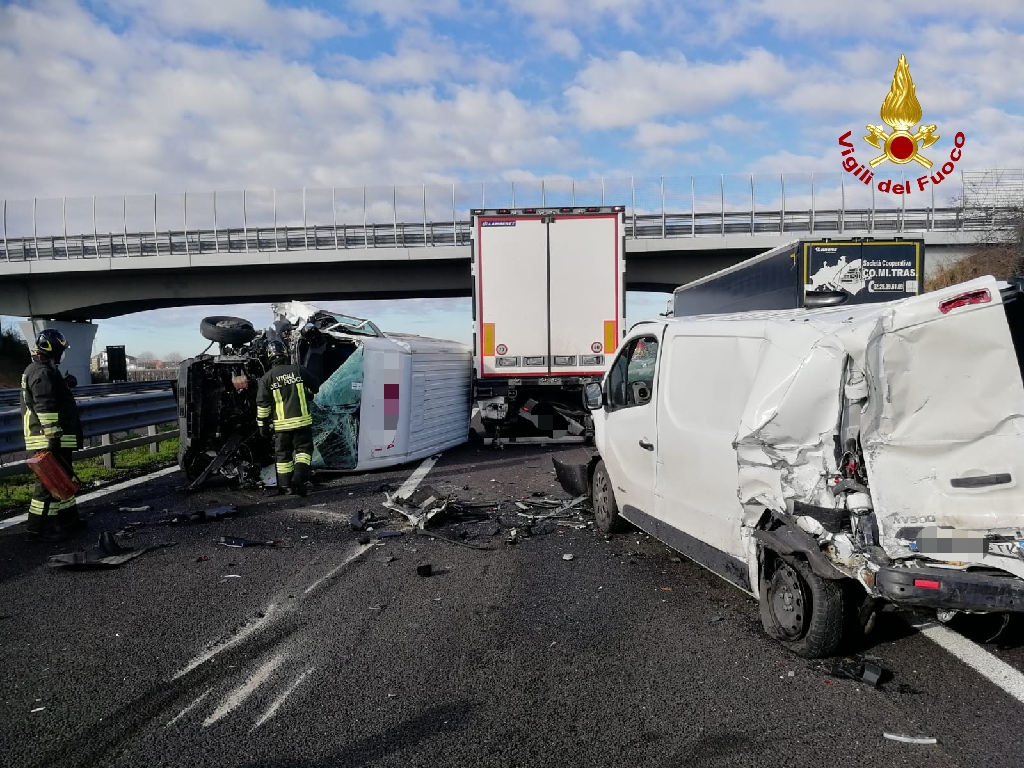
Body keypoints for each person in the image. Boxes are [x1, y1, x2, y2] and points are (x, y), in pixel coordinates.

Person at [21, 329, 85, 541]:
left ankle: (69, 522)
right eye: (60, 350)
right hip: (49, 439)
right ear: (52, 350)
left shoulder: (42, 370)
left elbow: (50, 395)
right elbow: (45, 405)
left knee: (61, 481)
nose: (62, 354)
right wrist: (52, 437)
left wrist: (64, 384)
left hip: (54, 439)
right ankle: (36, 530)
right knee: (47, 486)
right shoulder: (42, 372)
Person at [255, 340, 321, 496]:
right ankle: (298, 479)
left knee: (283, 456)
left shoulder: (267, 378)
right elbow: (316, 387)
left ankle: (286, 487)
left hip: (281, 427)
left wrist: (262, 426)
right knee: (304, 451)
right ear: (285, 354)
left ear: (269, 357)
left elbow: (263, 405)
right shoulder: (299, 370)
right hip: (302, 422)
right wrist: (307, 394)